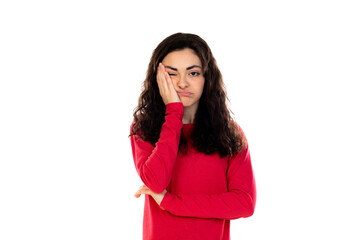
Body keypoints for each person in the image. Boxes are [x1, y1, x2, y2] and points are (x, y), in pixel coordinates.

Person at [129, 32, 256, 240]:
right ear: (158, 79)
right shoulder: (144, 129)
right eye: (172, 73)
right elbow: (155, 182)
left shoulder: (230, 133)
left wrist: (171, 202)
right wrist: (173, 113)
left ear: (207, 78)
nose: (182, 83)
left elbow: (244, 203)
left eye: (193, 73)